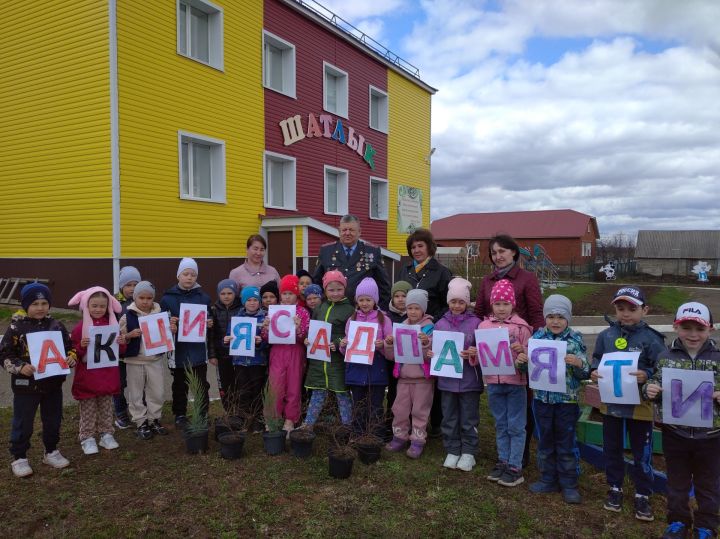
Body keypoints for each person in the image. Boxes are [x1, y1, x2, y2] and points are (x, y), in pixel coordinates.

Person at [642, 302, 720, 539]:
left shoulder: (718, 358)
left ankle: (706, 526)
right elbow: (652, 383)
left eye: (700, 328)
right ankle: (677, 522)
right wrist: (649, 389)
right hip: (675, 434)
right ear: (676, 327)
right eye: (687, 327)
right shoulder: (666, 357)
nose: (693, 335)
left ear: (711, 329)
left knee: (709, 485)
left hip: (711, 437)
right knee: (677, 483)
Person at [590, 285, 665, 522]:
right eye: (621, 308)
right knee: (612, 447)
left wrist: (647, 375)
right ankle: (615, 488)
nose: (625, 313)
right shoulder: (606, 336)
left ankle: (643, 492)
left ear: (645, 309)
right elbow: (597, 360)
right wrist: (593, 372)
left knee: (641, 451)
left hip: (639, 407)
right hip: (611, 405)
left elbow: (661, 368)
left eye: (632, 308)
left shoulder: (652, 339)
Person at [474, 234, 544, 467]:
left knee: (520, 403)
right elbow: (480, 312)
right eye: (494, 253)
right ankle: (505, 456)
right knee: (500, 407)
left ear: (513, 252)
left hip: (519, 350)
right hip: (494, 352)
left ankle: (519, 456)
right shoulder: (487, 281)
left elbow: (535, 313)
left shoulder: (527, 278)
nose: (498, 256)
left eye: (502, 251)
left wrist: (536, 345)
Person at [518, 295, 589, 504]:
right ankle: (548, 478)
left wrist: (578, 363)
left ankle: (569, 483)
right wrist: (521, 361)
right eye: (550, 316)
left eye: (560, 317)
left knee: (566, 442)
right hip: (541, 400)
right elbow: (528, 369)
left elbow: (584, 373)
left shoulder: (575, 341)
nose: (555, 321)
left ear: (568, 318)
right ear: (545, 318)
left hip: (566, 402)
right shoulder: (537, 338)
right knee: (545, 441)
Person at [2, 283, 77, 477]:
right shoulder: (16, 328)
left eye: (44, 303)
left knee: (52, 420)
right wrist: (20, 367)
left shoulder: (57, 326)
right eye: (35, 303)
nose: (40, 307)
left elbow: (70, 347)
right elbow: (4, 355)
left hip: (52, 385)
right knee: (23, 422)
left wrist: (71, 357)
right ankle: (19, 457)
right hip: (26, 387)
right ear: (26, 305)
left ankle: (51, 451)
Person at [476, 279, 532, 487]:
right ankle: (503, 460)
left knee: (516, 425)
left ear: (513, 304)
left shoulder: (522, 327)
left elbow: (531, 355)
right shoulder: (483, 326)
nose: (501, 308)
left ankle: (515, 466)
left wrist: (522, 352)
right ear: (491, 304)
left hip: (515, 382)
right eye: (497, 303)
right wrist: (475, 354)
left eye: (505, 304)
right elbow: (483, 355)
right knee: (500, 423)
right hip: (494, 382)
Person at [434, 278, 483, 472]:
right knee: (449, 417)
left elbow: (483, 350)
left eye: (461, 302)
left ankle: (469, 451)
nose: (456, 305)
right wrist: (432, 353)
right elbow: (437, 348)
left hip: (469, 380)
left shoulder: (476, 324)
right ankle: (452, 449)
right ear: (448, 302)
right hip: (447, 381)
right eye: (453, 301)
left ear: (467, 303)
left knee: (469, 417)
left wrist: (474, 353)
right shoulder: (440, 324)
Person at [69, 286, 125, 455]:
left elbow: (120, 352)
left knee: (107, 408)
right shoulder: (79, 329)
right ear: (86, 306)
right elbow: (73, 353)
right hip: (88, 378)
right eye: (94, 306)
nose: (98, 309)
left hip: (107, 377)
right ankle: (87, 437)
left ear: (108, 307)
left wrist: (121, 341)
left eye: (102, 306)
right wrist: (80, 347)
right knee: (88, 410)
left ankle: (107, 434)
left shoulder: (112, 326)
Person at [160, 257, 212, 427]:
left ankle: (202, 412)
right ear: (178, 276)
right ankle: (180, 414)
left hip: (198, 349)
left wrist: (209, 322)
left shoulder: (203, 297)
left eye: (193, 274)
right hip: (178, 350)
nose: (189, 277)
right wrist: (170, 324)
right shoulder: (168, 298)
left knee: (201, 384)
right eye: (186, 274)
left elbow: (208, 317)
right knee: (179, 385)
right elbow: (162, 322)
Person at [384, 289, 434, 458]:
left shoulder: (429, 328)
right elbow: (391, 356)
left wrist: (426, 343)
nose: (413, 311)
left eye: (417, 308)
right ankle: (399, 436)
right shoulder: (400, 328)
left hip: (422, 379)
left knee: (420, 411)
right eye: (410, 308)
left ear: (423, 310)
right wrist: (389, 344)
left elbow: (431, 357)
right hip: (404, 378)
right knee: (399, 409)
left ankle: (418, 440)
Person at [340, 277, 392, 438]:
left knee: (376, 404)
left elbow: (391, 345)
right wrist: (344, 344)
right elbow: (347, 349)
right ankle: (357, 434)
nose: (364, 303)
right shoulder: (352, 319)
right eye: (361, 300)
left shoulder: (384, 319)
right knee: (359, 404)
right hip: (356, 369)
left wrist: (382, 344)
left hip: (376, 368)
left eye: (368, 299)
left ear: (374, 300)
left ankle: (376, 434)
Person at [302, 271, 355, 429]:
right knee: (318, 392)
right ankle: (308, 424)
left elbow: (350, 334)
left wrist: (338, 343)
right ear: (325, 291)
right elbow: (313, 328)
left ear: (344, 289)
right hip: (319, 360)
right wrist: (307, 338)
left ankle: (347, 426)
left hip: (336, 361)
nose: (335, 293)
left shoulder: (349, 310)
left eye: (339, 289)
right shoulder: (320, 308)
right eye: (331, 290)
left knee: (342, 393)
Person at [119, 281, 168, 440]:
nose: (145, 301)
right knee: (136, 394)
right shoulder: (127, 316)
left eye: (149, 298)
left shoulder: (160, 314)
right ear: (135, 297)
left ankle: (154, 419)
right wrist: (128, 335)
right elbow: (118, 339)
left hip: (154, 360)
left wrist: (171, 329)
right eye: (141, 297)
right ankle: (141, 421)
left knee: (157, 392)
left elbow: (166, 336)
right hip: (134, 361)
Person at [261, 275, 310, 433]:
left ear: (296, 294)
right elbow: (266, 337)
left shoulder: (302, 312)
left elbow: (305, 337)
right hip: (278, 351)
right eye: (284, 293)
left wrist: (298, 329)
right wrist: (266, 329)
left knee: (294, 386)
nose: (287, 297)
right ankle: (272, 418)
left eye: (290, 293)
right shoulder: (273, 311)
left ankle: (290, 419)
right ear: (280, 295)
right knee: (275, 385)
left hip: (296, 352)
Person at [313, 214, 391, 309]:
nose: (347, 233)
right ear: (339, 231)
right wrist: (321, 308)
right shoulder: (326, 251)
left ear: (359, 232)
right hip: (332, 310)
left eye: (351, 230)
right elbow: (317, 283)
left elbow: (384, 287)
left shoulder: (372, 252)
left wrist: (379, 312)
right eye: (344, 230)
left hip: (362, 311)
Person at [232, 286, 268, 433]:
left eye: (255, 300)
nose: (252, 303)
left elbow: (267, 340)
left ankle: (257, 419)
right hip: (240, 361)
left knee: (257, 392)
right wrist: (226, 340)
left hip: (257, 362)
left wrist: (261, 342)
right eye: (249, 300)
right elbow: (230, 335)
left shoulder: (265, 318)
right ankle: (244, 419)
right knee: (243, 391)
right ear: (243, 301)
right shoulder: (237, 318)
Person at [397, 228, 452, 321]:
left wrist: (432, 321)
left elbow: (447, 305)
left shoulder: (442, 272)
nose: (416, 250)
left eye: (420, 246)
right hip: (406, 325)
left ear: (429, 247)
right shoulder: (404, 270)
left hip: (431, 326)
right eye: (413, 247)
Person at [208, 279, 243, 415]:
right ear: (218, 294)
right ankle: (229, 411)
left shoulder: (241, 309)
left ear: (235, 294)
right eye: (223, 293)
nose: (226, 296)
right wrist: (212, 355)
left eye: (230, 293)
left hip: (239, 355)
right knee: (225, 384)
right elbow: (211, 336)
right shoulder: (214, 310)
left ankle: (240, 412)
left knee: (239, 384)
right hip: (222, 355)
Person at [113, 265, 141, 429]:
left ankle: (139, 411)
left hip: (137, 352)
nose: (132, 289)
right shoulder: (114, 304)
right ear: (121, 286)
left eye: (135, 284)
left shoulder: (144, 300)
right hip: (119, 353)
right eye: (128, 285)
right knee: (118, 384)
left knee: (138, 384)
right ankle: (121, 413)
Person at [385, 281, 412, 438]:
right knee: (393, 394)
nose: (401, 299)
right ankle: (390, 422)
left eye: (404, 296)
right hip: (392, 362)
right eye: (397, 296)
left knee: (408, 395)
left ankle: (408, 423)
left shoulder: (415, 314)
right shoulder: (387, 317)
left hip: (409, 363)